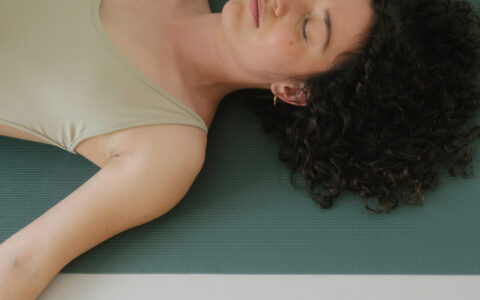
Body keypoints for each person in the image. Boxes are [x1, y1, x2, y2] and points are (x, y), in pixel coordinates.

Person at [0, 0, 478, 298]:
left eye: (310, 25)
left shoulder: (168, 148)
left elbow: (24, 263)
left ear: (294, 92)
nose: (282, 3)